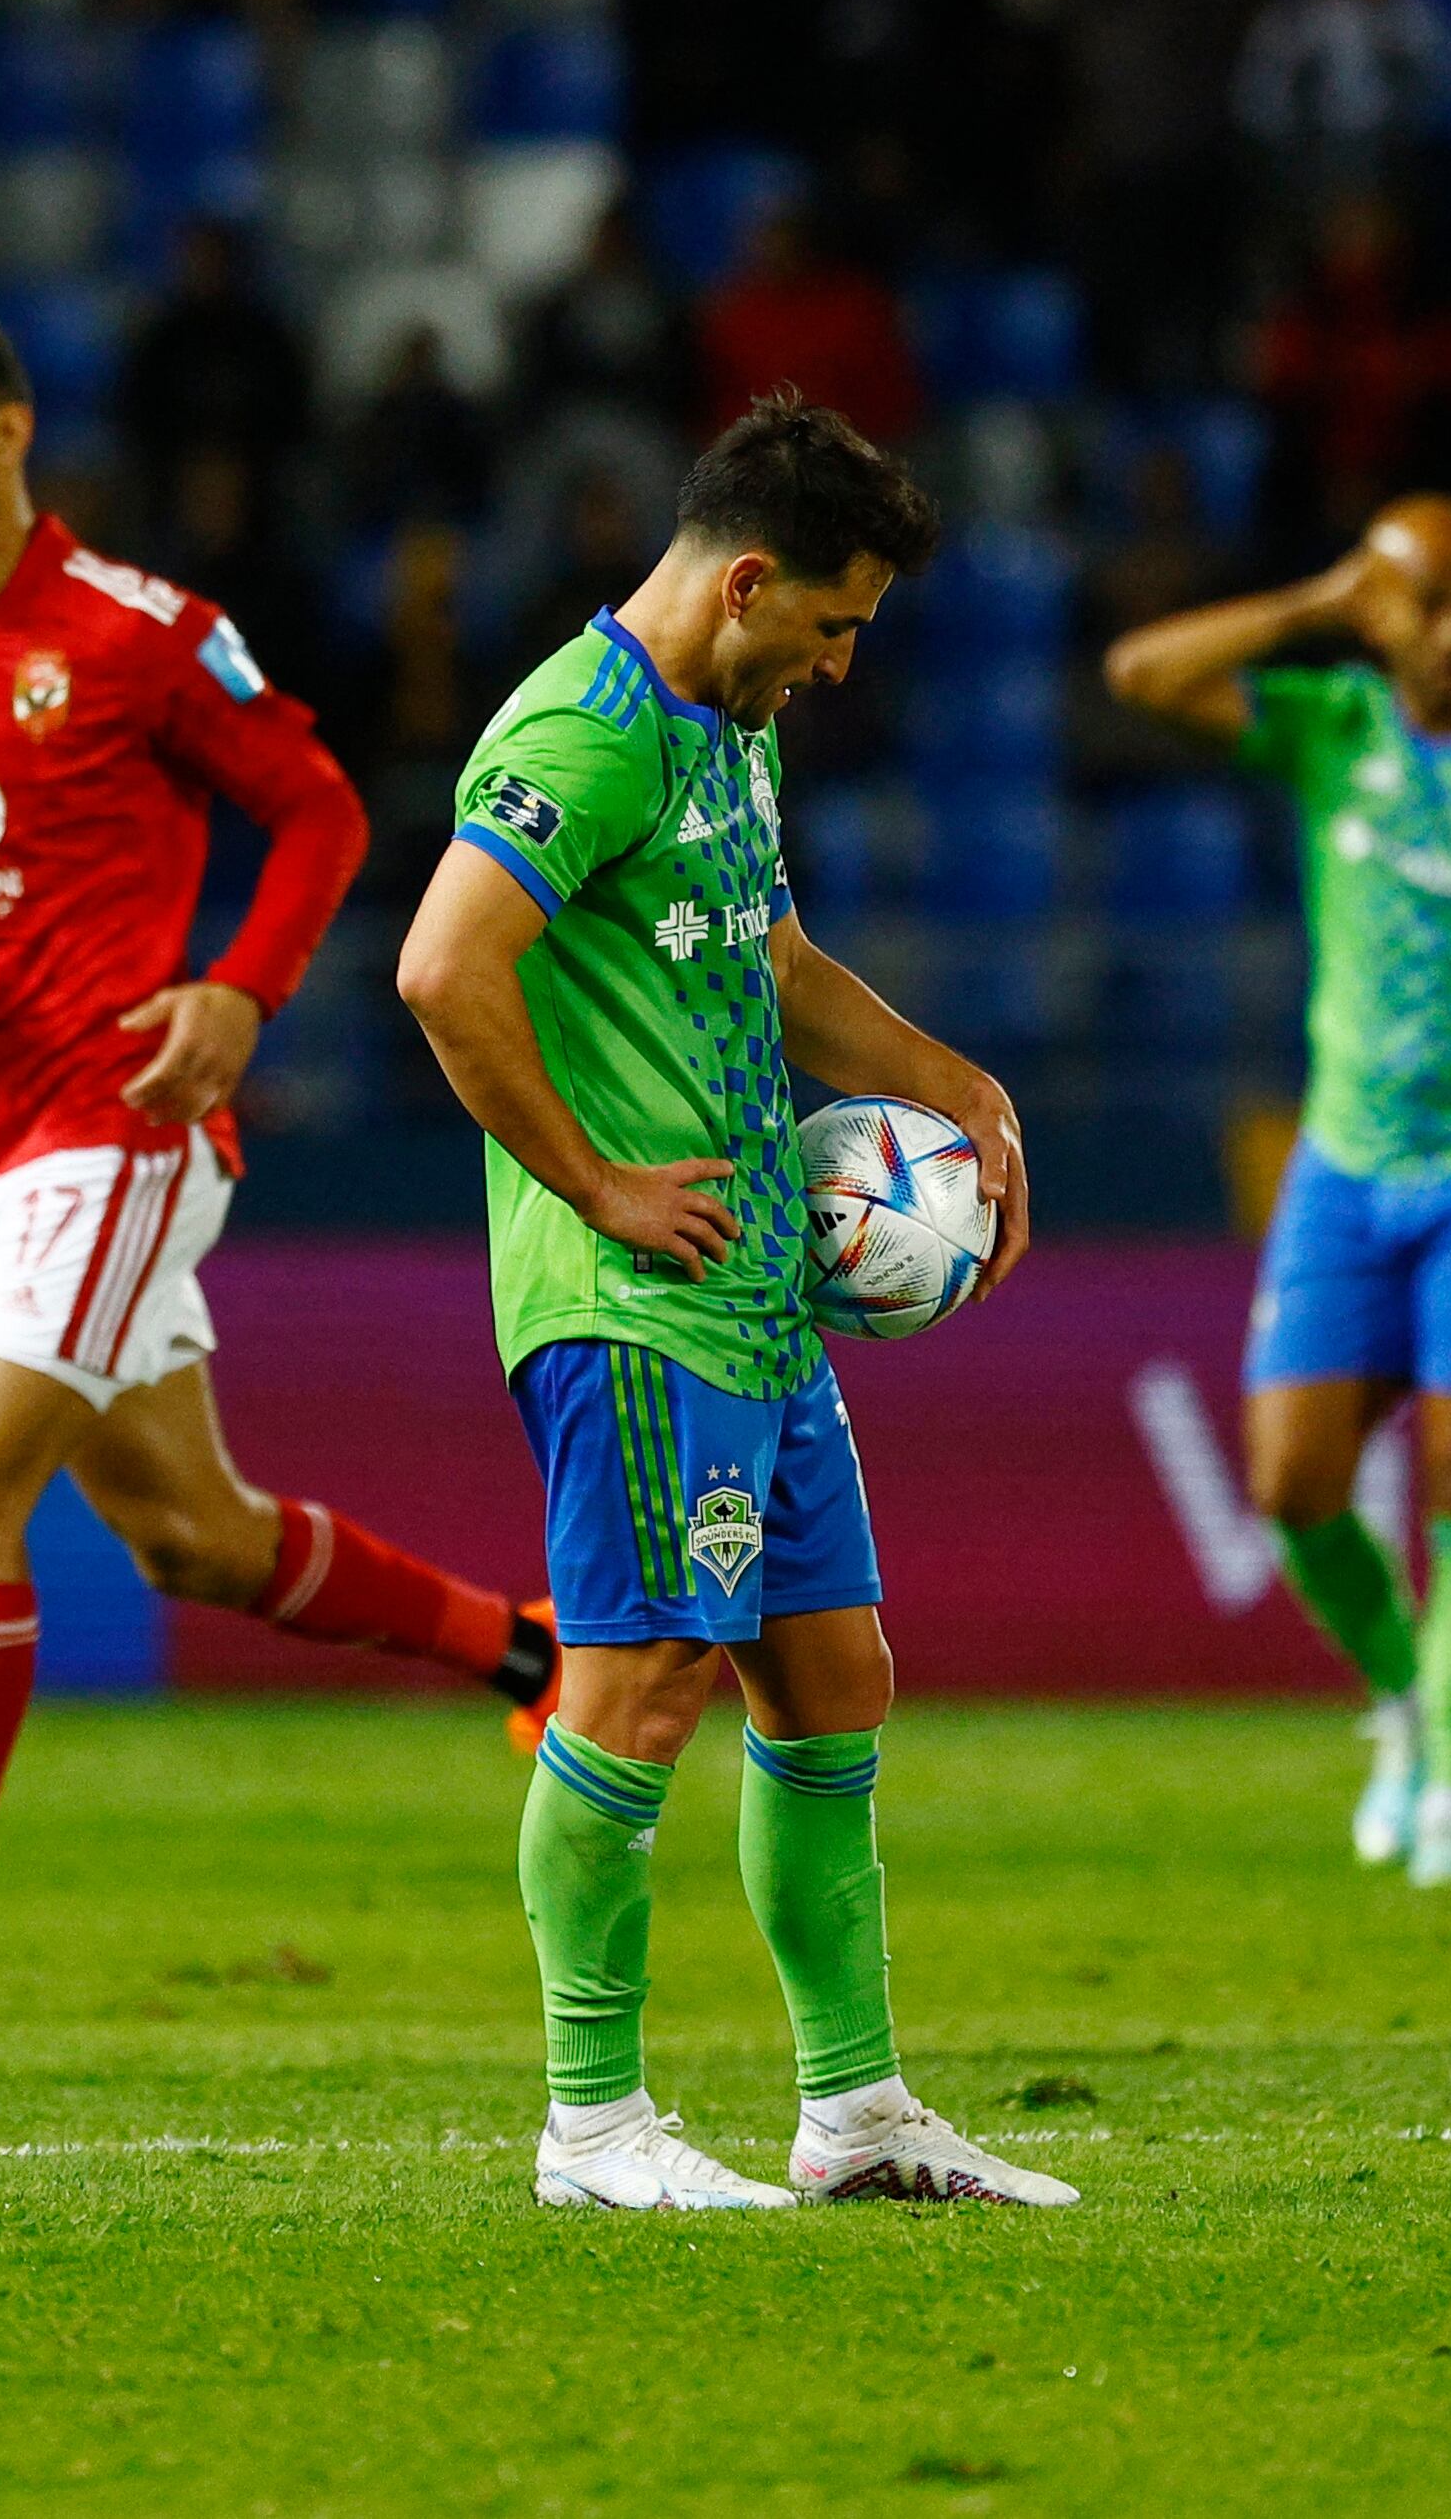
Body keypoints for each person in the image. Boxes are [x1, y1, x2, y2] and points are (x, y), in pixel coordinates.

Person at [0, 308, 561, 2057]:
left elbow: (321, 811)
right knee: (194, 1534)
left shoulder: (141, 634)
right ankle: (531, 1656)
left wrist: (240, 988)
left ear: (9, 433)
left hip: (119, 1127)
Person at [398, 392, 1075, 2212]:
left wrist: (959, 1081)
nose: (844, 663)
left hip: (762, 1301)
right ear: (752, 578)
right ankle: (589, 2120)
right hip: (633, 1301)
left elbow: (769, 958)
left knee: (830, 1671)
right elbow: (443, 965)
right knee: (636, 1684)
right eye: (836, 623)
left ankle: (854, 2110)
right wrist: (597, 1182)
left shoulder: (730, 731)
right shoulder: (583, 730)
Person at [1101, 496, 1451, 1890]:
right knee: (1293, 1485)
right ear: (1379, 610)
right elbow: (1138, 676)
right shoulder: (1330, 725)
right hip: (1343, 1164)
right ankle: (1406, 1701)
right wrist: (1314, 602)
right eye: (1423, 602)